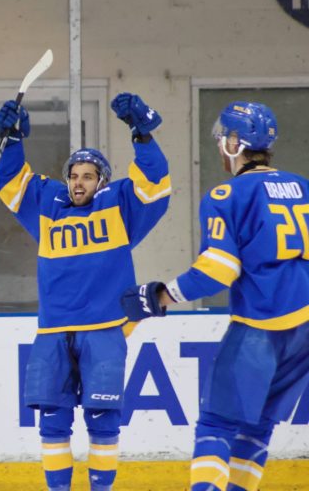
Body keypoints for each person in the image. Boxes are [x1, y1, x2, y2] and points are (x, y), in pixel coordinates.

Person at [121, 101, 309, 491]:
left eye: (225, 136)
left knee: (217, 424)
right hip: (305, 331)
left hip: (263, 326)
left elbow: (219, 270)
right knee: (258, 426)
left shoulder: (227, 194)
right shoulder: (303, 186)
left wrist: (162, 295)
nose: (221, 143)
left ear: (237, 143)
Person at [0, 93, 170, 491]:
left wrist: (142, 135)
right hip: (53, 329)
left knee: (103, 419)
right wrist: (12, 139)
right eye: (74, 175)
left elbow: (155, 184)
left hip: (105, 327)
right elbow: (7, 179)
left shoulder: (119, 207)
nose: (78, 182)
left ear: (101, 181)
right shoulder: (48, 205)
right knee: (52, 418)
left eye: (87, 176)